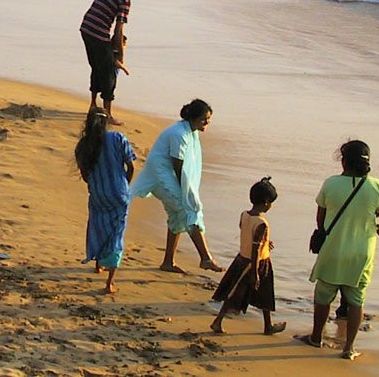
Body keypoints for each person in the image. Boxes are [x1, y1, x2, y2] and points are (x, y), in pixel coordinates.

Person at [297, 140, 379, 361]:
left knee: (323, 295)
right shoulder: (378, 187)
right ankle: (349, 348)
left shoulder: (331, 184)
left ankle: (316, 337)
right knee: (356, 300)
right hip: (362, 253)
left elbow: (320, 219)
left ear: (343, 162)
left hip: (333, 249)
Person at [130, 99, 223, 273]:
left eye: (209, 119)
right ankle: (205, 258)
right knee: (187, 208)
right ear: (193, 118)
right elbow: (178, 164)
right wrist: (187, 191)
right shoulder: (179, 134)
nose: (207, 122)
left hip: (168, 172)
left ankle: (168, 262)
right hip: (160, 174)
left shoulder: (191, 132)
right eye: (204, 119)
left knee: (177, 214)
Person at [210, 177, 286, 335]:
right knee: (236, 294)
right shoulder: (261, 223)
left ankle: (268, 325)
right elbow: (255, 248)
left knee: (262, 294)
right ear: (266, 202)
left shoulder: (244, 215)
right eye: (271, 203)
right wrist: (255, 272)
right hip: (255, 264)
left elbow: (246, 232)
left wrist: (266, 242)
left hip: (242, 259)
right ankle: (218, 321)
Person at [75, 107, 136, 294]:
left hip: (98, 193)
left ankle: (98, 263)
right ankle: (110, 282)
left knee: (98, 226)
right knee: (116, 233)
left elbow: (85, 174)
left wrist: (95, 185)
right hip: (119, 192)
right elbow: (131, 166)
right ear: (106, 122)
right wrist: (124, 184)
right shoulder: (118, 138)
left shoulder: (83, 146)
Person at [79, 0, 143, 125]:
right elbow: (118, 29)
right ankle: (107, 114)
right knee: (109, 73)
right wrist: (120, 55)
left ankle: (93, 105)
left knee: (96, 67)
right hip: (98, 34)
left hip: (86, 29)